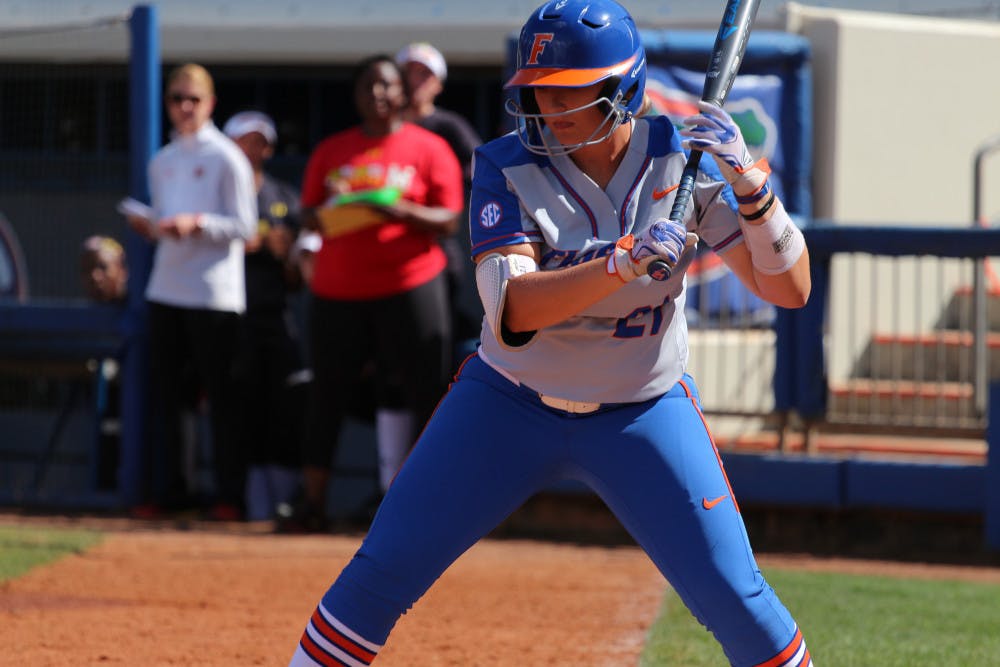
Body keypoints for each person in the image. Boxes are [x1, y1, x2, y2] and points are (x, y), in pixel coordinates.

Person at [286, 1, 815, 666]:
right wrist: (620, 260)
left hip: (642, 412)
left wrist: (750, 187)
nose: (546, 106)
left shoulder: (683, 162)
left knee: (738, 600)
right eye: (537, 90)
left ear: (622, 90)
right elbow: (516, 310)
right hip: (507, 403)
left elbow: (789, 288)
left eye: (567, 91)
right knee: (379, 574)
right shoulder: (506, 165)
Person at [282, 54, 464, 532]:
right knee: (326, 396)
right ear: (357, 96)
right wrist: (334, 213)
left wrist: (394, 211)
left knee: (428, 394)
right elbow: (308, 213)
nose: (378, 95)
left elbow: (448, 219)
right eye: (368, 87)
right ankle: (313, 504)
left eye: (386, 86)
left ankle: (433, 504)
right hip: (336, 290)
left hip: (411, 285)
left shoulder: (428, 148)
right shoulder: (332, 150)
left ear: (402, 94)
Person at [124, 63, 257, 520]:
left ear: (210, 104)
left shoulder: (227, 157)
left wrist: (196, 224)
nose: (184, 107)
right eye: (176, 98)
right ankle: (173, 492)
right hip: (167, 287)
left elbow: (245, 226)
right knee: (171, 397)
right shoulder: (161, 159)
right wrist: (153, 226)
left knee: (223, 399)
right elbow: (164, 217)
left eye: (193, 99)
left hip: (214, 293)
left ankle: (228, 497)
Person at [222, 110, 309, 522]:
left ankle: (283, 503)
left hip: (274, 318)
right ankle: (245, 504)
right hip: (228, 320)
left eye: (260, 141)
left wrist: (285, 253)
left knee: (286, 408)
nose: (252, 148)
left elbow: (297, 278)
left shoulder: (285, 196)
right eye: (243, 139)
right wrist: (251, 243)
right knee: (238, 412)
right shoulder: (215, 192)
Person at [395, 42, 485, 357]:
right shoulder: (381, 132)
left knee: (432, 343)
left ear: (438, 84)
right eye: (408, 73)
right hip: (385, 257)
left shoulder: (448, 128)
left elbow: (482, 174)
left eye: (424, 74)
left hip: (435, 253)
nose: (414, 81)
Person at [80, 235, 128, 304]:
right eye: (87, 268)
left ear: (122, 271)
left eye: (103, 267)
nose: (95, 276)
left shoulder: (145, 311)